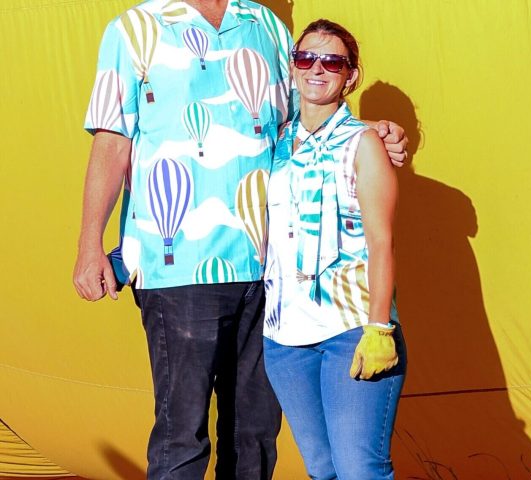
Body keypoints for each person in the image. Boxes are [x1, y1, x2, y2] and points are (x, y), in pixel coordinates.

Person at [72, 1, 407, 479]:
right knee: (182, 434)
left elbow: (306, 113)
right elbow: (112, 138)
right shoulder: (133, 29)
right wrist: (90, 243)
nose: (317, 66)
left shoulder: (266, 25)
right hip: (179, 268)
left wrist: (369, 133)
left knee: (253, 437)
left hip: (270, 278)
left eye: (331, 62)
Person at [262, 19, 406, 480]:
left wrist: (379, 327)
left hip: (352, 330)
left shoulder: (364, 144)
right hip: (285, 338)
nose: (317, 69)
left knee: (359, 470)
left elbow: (382, 242)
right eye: (306, 58)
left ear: (351, 76)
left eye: (332, 61)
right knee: (322, 470)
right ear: (293, 67)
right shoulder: (274, 142)